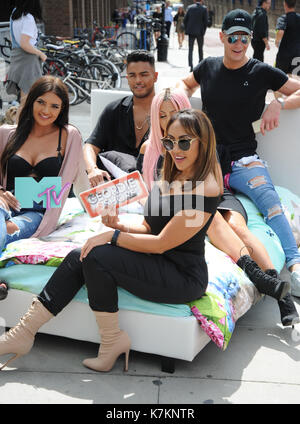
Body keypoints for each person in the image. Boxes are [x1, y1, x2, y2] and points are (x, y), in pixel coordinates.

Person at [0, 109, 223, 372]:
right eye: (169, 141)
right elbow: (147, 226)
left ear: (203, 142)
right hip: (156, 261)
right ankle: (22, 333)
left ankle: (111, 340)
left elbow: (161, 242)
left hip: (181, 276)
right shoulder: (171, 174)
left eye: (184, 141)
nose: (175, 149)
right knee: (80, 253)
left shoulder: (204, 187)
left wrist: (113, 235)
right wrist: (116, 223)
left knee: (97, 254)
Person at [140, 88, 296, 326]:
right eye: (162, 115)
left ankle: (277, 291)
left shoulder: (201, 144)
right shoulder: (150, 149)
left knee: (235, 225)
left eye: (176, 111)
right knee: (204, 216)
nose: (168, 119)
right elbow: (155, 197)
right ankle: (260, 278)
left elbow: (212, 185)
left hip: (215, 197)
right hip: (181, 206)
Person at [176, 8, 300, 299]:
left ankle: (294, 267)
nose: (239, 43)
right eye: (233, 36)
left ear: (251, 39)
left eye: (245, 37)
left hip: (244, 159)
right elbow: (183, 83)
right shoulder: (208, 66)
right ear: (222, 37)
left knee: (271, 205)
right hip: (207, 159)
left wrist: (277, 102)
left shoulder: (261, 71)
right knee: (181, 203)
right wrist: (183, 107)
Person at [0, 75, 89, 300]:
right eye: (41, 102)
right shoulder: (6, 134)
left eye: (54, 106)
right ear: (31, 101)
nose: (46, 110)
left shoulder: (69, 136)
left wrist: (98, 208)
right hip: (3, 204)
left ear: (62, 109)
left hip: (35, 213)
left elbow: (78, 178)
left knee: (9, 229)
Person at [83, 50, 157, 187]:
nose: (138, 80)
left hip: (153, 185)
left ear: (155, 76)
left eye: (144, 75)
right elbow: (90, 146)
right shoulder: (114, 109)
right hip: (113, 187)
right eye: (132, 75)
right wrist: (92, 170)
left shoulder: (166, 111)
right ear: (127, 79)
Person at [6, 0, 47, 103]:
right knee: (28, 100)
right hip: (28, 60)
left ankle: (21, 119)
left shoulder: (14, 14)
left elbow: (14, 40)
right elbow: (24, 44)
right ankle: (24, 119)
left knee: (24, 100)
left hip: (16, 57)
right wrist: (41, 54)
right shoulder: (28, 18)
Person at [275, 0, 300, 75]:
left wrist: (277, 41)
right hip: (297, 55)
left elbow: (280, 31)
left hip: (284, 56)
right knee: (296, 79)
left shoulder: (283, 18)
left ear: (284, 4)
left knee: (281, 78)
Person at [184, 0, 208, 71]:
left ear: (194, 0)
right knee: (200, 49)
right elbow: (206, 21)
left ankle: (190, 66)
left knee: (190, 49)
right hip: (200, 32)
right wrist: (203, 31)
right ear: (202, 1)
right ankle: (200, 65)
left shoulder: (190, 8)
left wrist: (187, 29)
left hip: (191, 31)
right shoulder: (204, 9)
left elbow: (185, 20)